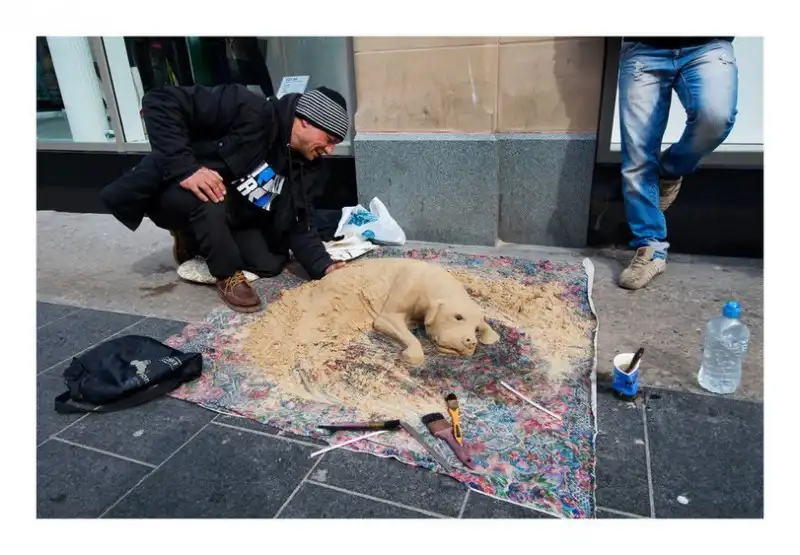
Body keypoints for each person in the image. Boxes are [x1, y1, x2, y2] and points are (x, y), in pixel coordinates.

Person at [100, 84, 349, 312]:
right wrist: (186, 169)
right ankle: (226, 274)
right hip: (179, 192)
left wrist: (323, 266)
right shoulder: (247, 108)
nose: (329, 150)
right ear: (305, 121)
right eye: (329, 140)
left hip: (234, 211)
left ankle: (196, 241)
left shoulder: (308, 164)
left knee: (270, 262)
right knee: (211, 194)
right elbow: (160, 100)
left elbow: (300, 219)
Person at [616, 37, 738, 290]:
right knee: (638, 155)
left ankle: (670, 170)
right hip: (643, 46)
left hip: (708, 43)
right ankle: (650, 247)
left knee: (715, 119)